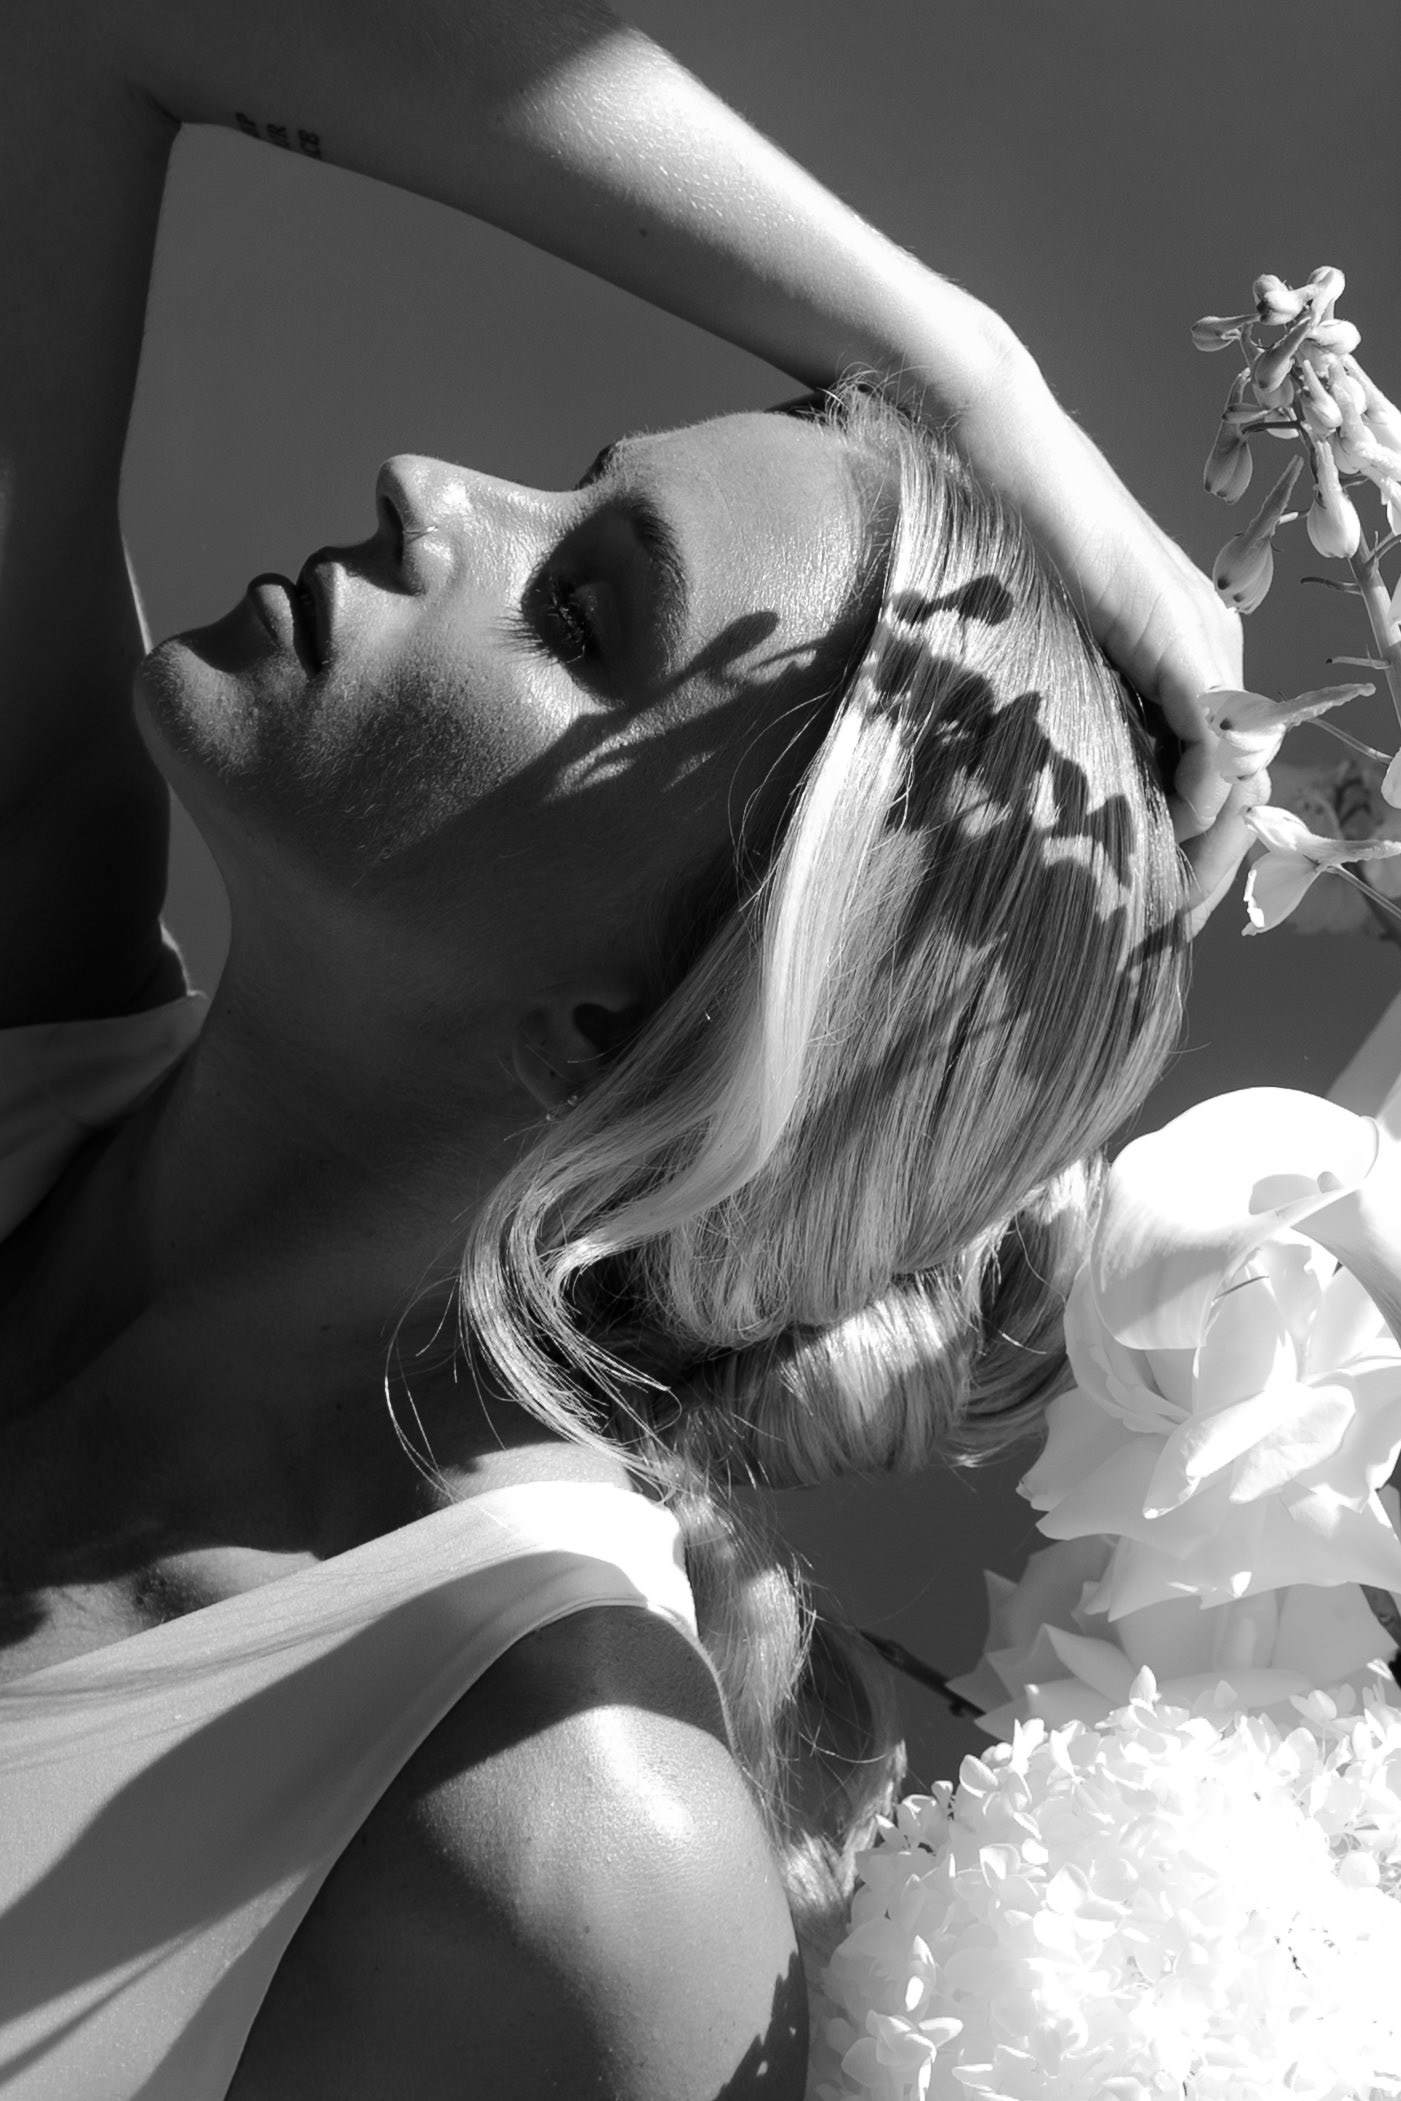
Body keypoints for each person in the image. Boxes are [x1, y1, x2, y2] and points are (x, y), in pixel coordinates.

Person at [0, 3, 1248, 2095]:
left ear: (639, 1031)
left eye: (580, 613)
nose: (429, 492)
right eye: (562, 493)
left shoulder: (546, 1847)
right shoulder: (30, 981)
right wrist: (959, 368)